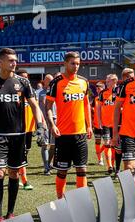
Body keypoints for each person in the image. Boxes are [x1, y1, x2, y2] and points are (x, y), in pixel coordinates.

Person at [0, 48, 46, 222]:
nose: (14, 63)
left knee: (14, 174)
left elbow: (35, 105)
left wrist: (40, 127)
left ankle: (10, 212)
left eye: (15, 60)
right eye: (10, 60)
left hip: (19, 135)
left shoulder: (23, 82)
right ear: (0, 62)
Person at [46, 51, 92, 199]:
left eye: (78, 63)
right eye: (73, 63)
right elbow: (47, 106)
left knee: (82, 170)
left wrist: (89, 126)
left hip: (80, 133)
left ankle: (82, 201)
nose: (76, 66)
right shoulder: (56, 82)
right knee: (62, 171)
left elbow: (86, 106)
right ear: (65, 63)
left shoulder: (84, 82)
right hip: (63, 134)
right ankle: (60, 199)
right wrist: (52, 125)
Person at [15, 69, 35, 190]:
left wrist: (41, 123)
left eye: (26, 77)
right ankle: (23, 180)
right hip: (17, 128)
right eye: (22, 77)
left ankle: (17, 176)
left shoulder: (31, 91)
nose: (25, 79)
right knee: (20, 155)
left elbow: (35, 107)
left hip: (29, 128)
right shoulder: (14, 91)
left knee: (25, 153)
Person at [97, 74, 118, 175]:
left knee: (115, 146)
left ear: (114, 81)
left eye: (108, 81)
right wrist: (99, 121)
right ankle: (109, 166)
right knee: (107, 144)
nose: (106, 83)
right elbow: (98, 107)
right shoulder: (103, 93)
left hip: (117, 124)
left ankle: (114, 165)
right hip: (106, 124)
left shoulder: (120, 92)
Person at [38, 74, 54, 175]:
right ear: (44, 81)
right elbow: (36, 108)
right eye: (49, 80)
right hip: (44, 121)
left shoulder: (55, 91)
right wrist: (40, 121)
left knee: (53, 145)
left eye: (52, 80)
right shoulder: (39, 93)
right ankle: (46, 166)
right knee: (45, 145)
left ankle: (49, 163)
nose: (51, 82)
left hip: (54, 121)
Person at [92, 82, 105, 166]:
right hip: (96, 125)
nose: (97, 90)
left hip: (106, 124)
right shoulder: (95, 99)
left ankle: (100, 152)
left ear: (103, 89)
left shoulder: (107, 98)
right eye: (97, 89)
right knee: (97, 142)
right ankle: (100, 159)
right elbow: (92, 109)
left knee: (108, 142)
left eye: (99, 88)